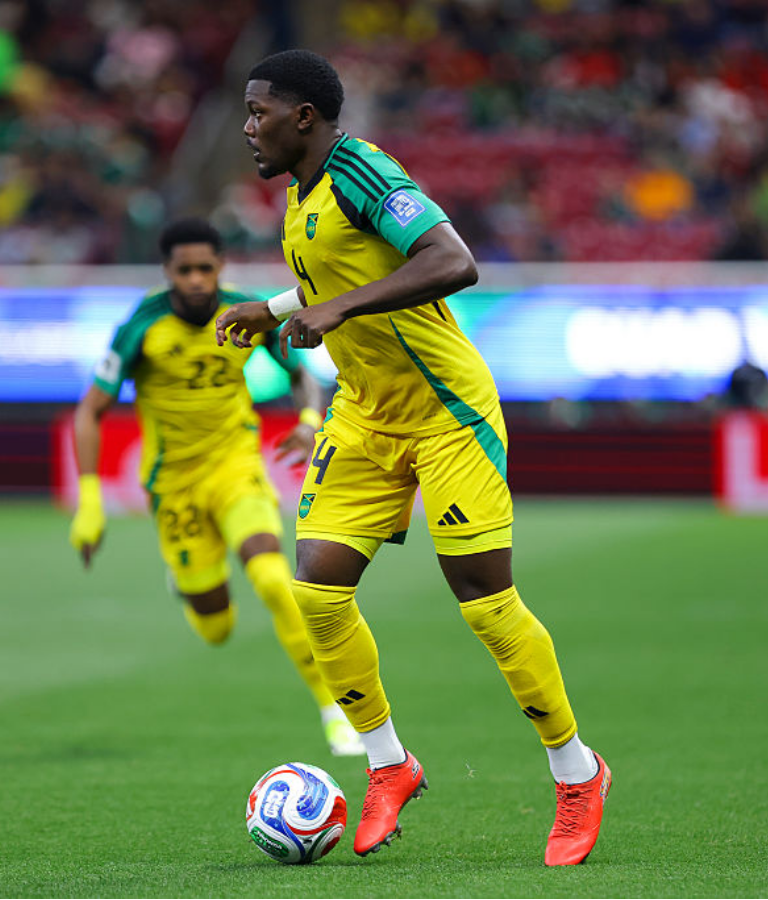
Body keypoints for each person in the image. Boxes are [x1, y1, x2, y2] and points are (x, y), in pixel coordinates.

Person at [215, 49, 607, 864]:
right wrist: (276, 307)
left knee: (483, 601)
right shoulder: (302, 195)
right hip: (365, 413)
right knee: (317, 589)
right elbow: (349, 265)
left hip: (446, 411)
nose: (248, 126)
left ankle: (576, 773)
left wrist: (337, 309)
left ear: (305, 119)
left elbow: (451, 261)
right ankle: (390, 766)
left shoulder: (362, 170)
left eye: (260, 113)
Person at [70, 217, 364, 759]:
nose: (198, 280)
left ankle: (335, 710)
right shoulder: (142, 326)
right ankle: (188, 586)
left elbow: (304, 372)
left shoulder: (246, 312)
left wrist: (306, 419)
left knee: (276, 580)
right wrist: (90, 501)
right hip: (174, 488)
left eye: (206, 268)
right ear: (168, 273)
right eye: (186, 270)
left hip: (235, 468)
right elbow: (90, 411)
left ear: (220, 267)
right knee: (216, 629)